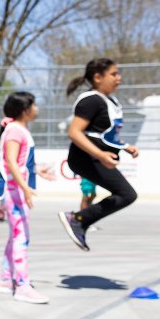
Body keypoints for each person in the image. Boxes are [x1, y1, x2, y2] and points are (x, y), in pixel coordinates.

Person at [57, 58, 139, 251]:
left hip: (94, 157)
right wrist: (101, 155)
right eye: (114, 74)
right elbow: (75, 132)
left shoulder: (109, 101)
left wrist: (125, 146)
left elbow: (102, 134)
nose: (118, 78)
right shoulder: (91, 100)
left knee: (126, 195)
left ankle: (80, 221)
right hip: (84, 158)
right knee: (126, 194)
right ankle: (78, 219)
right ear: (98, 77)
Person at [0, 92, 56, 303]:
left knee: (16, 235)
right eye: (34, 105)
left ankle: (5, 279)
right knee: (21, 237)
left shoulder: (18, 130)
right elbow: (10, 162)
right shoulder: (14, 131)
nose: (37, 108)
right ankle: (22, 285)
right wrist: (25, 188)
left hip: (16, 189)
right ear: (24, 109)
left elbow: (19, 163)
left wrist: (37, 171)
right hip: (15, 191)